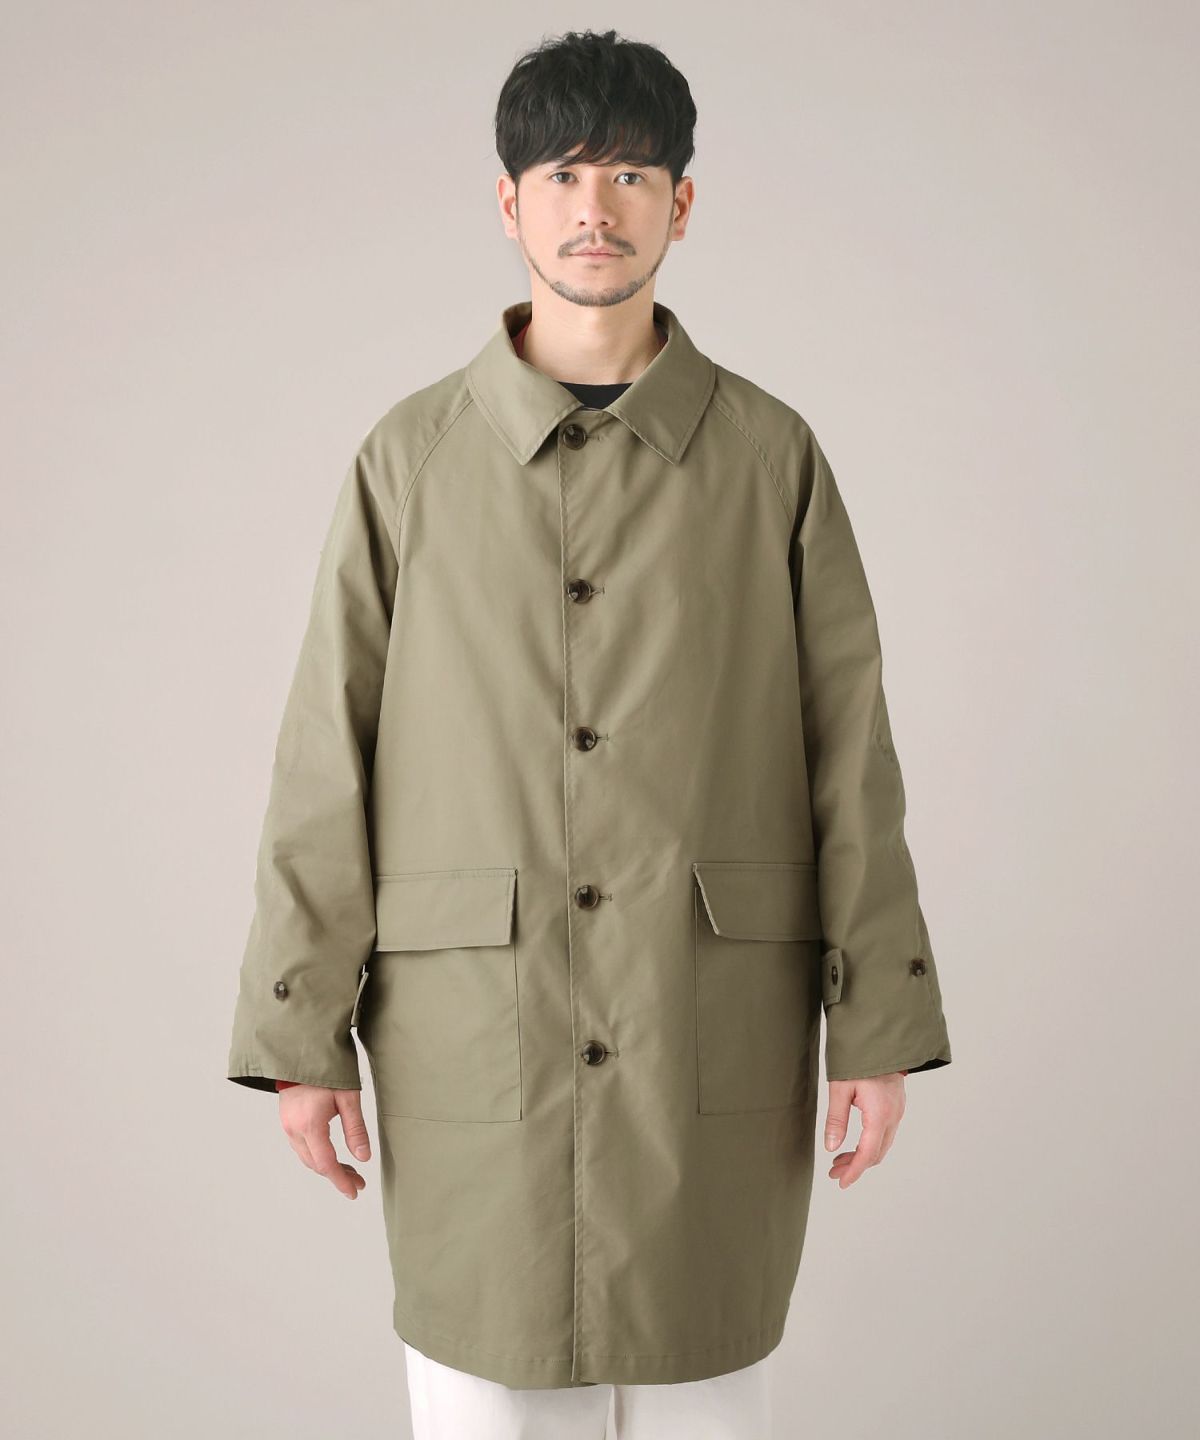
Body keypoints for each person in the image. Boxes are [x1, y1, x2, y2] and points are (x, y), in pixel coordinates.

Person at [226, 26, 952, 1440]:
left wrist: (878, 1020)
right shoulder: (410, 460)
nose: (595, 207)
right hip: (472, 1036)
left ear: (684, 203)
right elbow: (328, 754)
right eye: (562, 174)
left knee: (703, 1389)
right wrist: (299, 1031)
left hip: (704, 1024)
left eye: (631, 174)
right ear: (509, 203)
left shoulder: (771, 457)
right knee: (485, 1387)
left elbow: (848, 752)